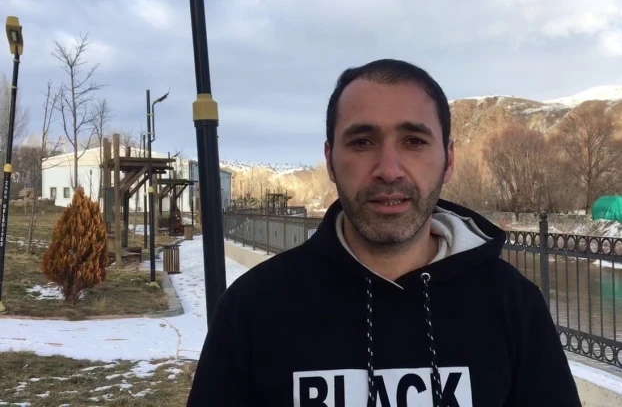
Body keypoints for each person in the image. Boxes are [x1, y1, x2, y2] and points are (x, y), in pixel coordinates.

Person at [187, 59, 581, 406]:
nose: (389, 170)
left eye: (414, 141)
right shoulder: (253, 308)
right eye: (362, 142)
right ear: (330, 160)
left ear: (448, 160)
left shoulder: (512, 304)